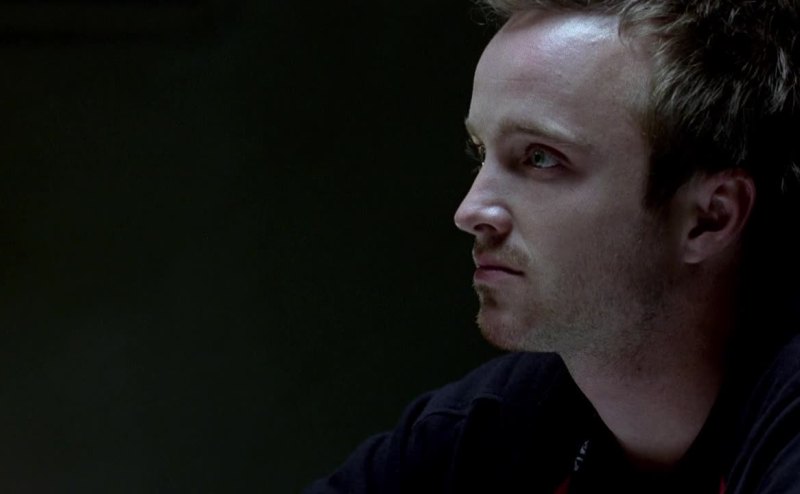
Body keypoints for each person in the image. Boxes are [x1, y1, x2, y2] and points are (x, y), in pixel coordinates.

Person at [305, 1, 800, 492]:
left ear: (709, 217)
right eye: (480, 152)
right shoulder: (488, 426)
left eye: (539, 157)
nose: (470, 210)